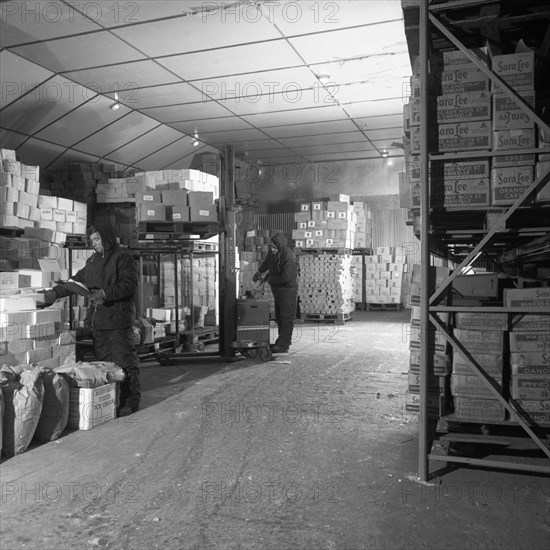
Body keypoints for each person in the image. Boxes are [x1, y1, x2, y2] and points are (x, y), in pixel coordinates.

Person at [42, 224, 140, 417]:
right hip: (99, 321)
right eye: (92, 240)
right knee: (104, 366)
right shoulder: (93, 260)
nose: (94, 243)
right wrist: (54, 293)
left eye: (97, 239)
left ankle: (130, 401)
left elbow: (129, 285)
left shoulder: (122, 258)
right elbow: (75, 281)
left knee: (124, 362)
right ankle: (111, 400)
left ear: (107, 237)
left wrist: (106, 293)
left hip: (118, 320)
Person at [253, 232, 298, 353]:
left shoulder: (288, 257)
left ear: (280, 246)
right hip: (278, 290)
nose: (272, 249)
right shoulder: (273, 253)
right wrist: (259, 272)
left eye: (274, 247)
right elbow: (267, 262)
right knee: (279, 317)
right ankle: (280, 341)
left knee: (286, 318)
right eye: (271, 247)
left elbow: (286, 278)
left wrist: (270, 279)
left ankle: (284, 344)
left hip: (288, 290)